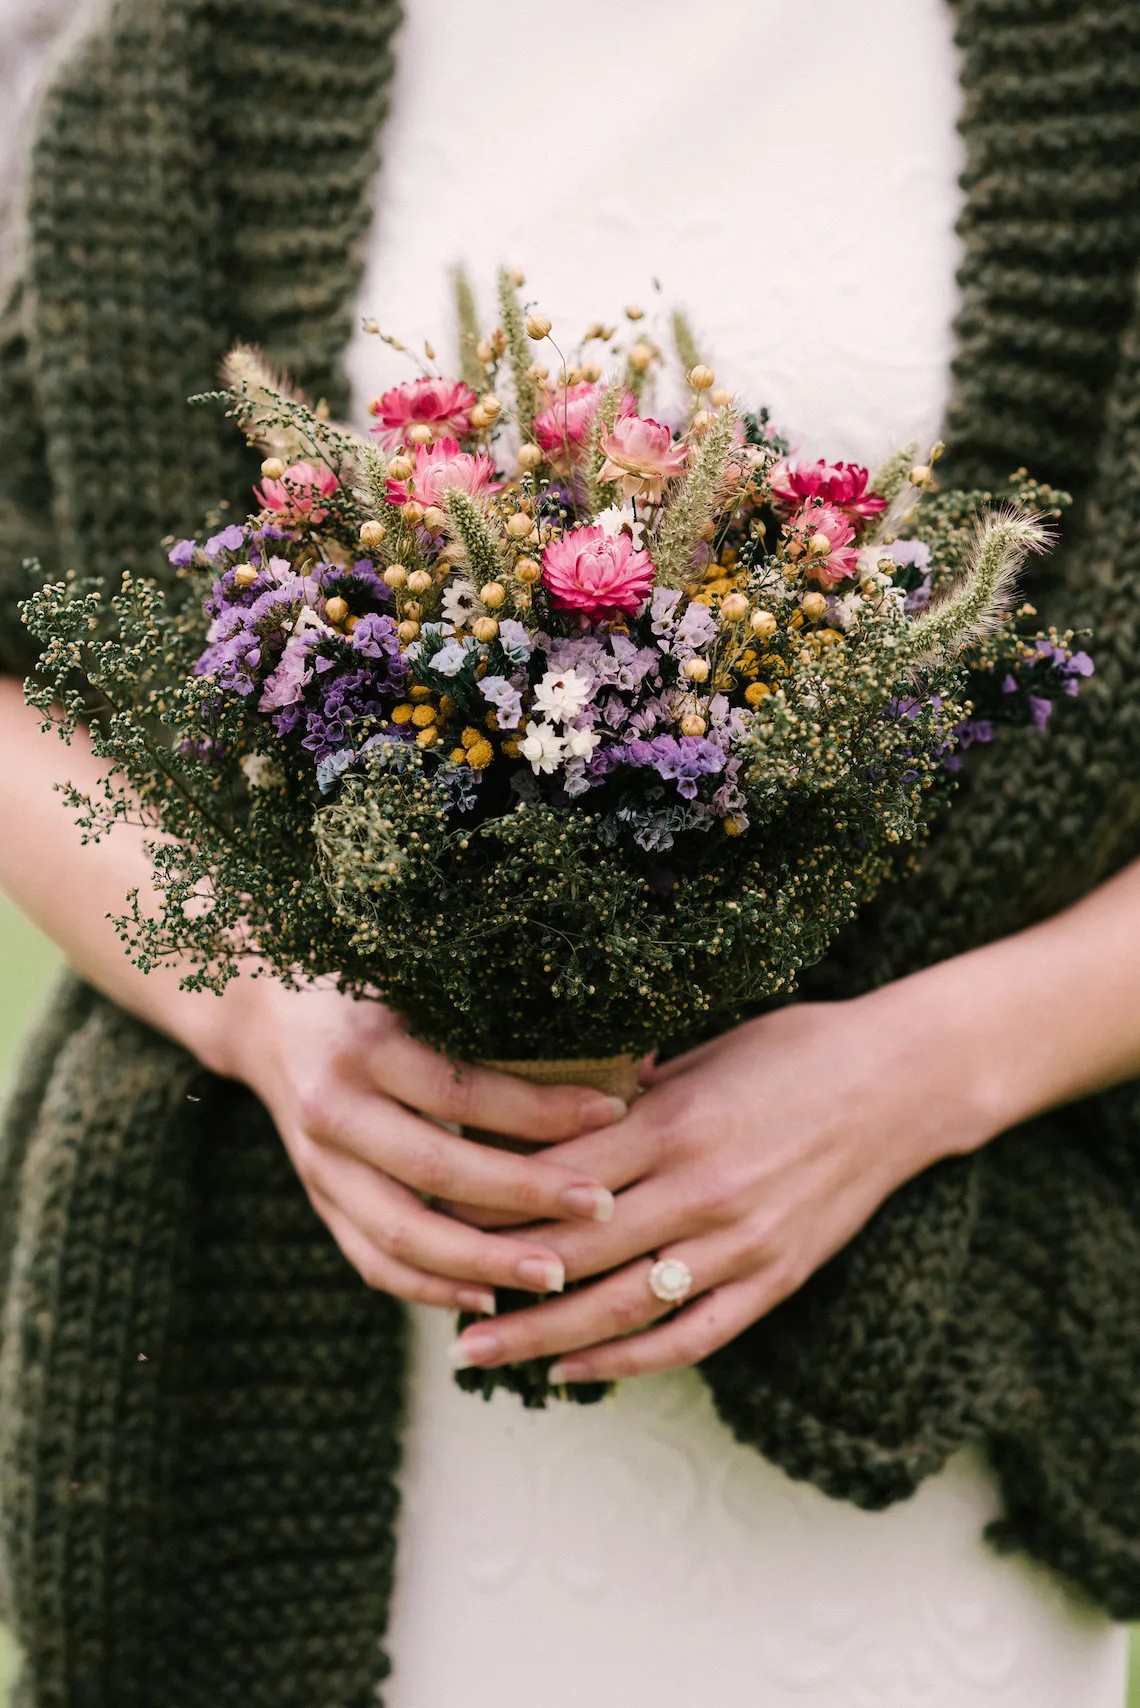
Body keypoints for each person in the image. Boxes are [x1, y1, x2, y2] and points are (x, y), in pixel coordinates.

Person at [0, 2, 1136, 1704]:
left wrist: (919, 1073)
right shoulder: (189, 49)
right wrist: (263, 1012)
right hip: (293, 1328)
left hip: (904, 1405)